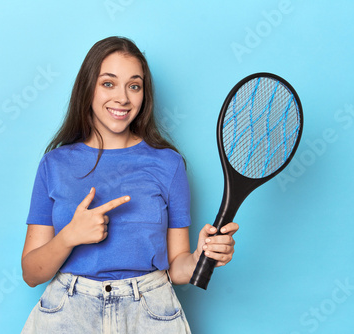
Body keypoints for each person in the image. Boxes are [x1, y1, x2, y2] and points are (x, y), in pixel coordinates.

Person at [20, 36, 239, 333]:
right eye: (108, 83)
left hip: (149, 313)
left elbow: (177, 267)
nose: (122, 98)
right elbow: (32, 273)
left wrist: (202, 257)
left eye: (134, 86)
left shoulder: (169, 164)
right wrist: (70, 236)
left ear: (143, 94)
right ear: (88, 88)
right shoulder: (54, 164)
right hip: (68, 313)